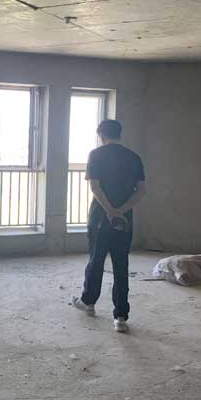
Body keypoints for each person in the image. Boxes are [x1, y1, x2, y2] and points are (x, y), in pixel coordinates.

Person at [71, 119, 146, 333]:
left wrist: (110, 210)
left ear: (101, 135)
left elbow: (95, 187)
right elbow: (142, 190)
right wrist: (121, 210)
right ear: (119, 134)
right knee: (121, 265)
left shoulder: (96, 155)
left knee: (96, 260)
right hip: (124, 220)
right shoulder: (134, 157)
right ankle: (121, 317)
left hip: (100, 218)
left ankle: (89, 302)